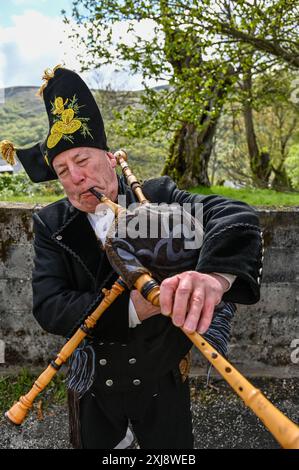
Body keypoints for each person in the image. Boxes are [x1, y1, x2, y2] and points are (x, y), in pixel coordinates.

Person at [0, 66, 263, 449]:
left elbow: (236, 217)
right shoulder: (50, 223)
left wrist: (214, 278)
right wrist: (136, 307)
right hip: (94, 386)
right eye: (62, 169)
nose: (75, 176)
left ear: (109, 158)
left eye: (83, 159)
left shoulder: (159, 196)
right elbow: (50, 306)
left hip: (163, 376)